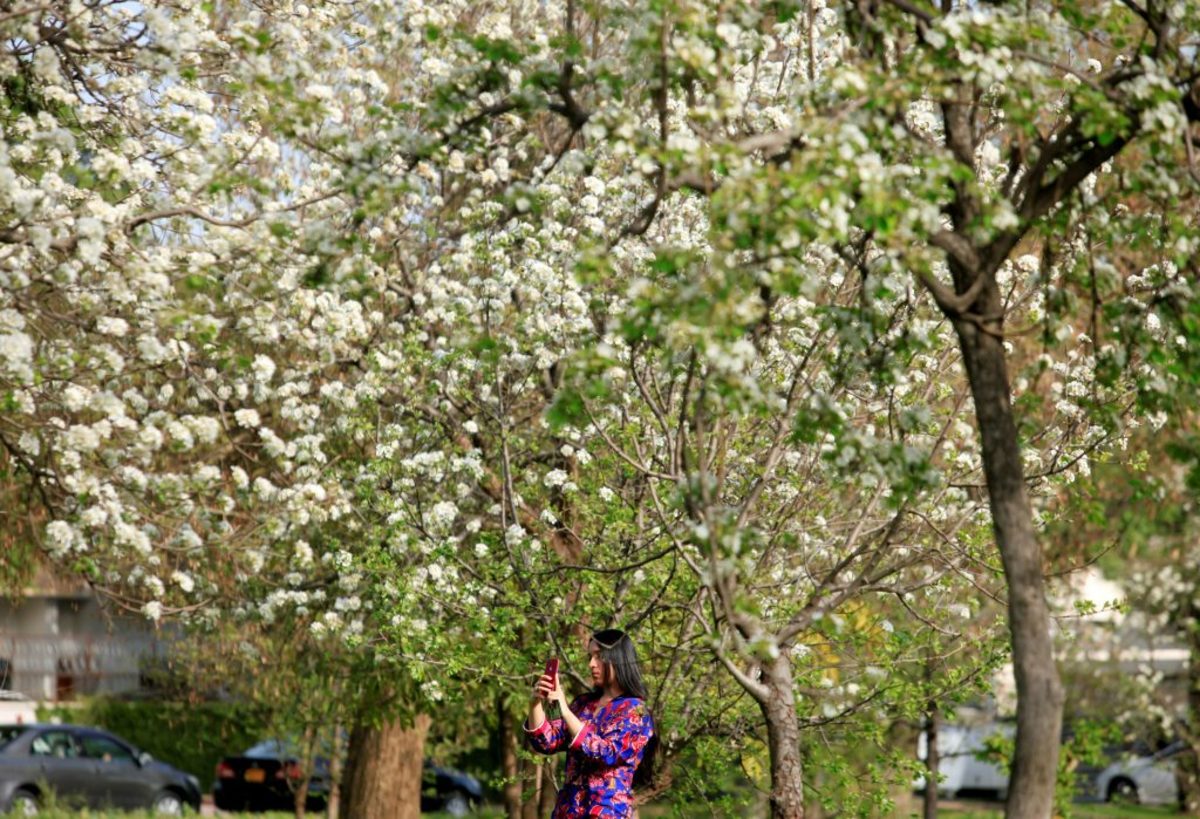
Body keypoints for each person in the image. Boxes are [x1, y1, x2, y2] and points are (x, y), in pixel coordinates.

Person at [525, 628, 657, 818]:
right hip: (568, 811)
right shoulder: (583, 704)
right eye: (590, 657)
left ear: (618, 658)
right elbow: (548, 741)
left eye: (599, 656)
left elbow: (606, 753)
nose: (591, 664)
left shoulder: (636, 711)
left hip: (607, 812)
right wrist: (536, 704)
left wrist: (564, 710)